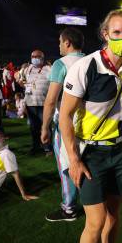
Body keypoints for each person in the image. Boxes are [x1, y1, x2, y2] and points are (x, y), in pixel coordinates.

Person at [59, 9, 122, 243]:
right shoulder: (85, 66)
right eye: (116, 33)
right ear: (105, 34)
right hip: (91, 154)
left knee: (115, 213)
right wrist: (74, 159)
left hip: (121, 151)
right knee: (95, 221)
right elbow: (64, 116)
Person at [42, 27, 85, 222]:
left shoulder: (61, 64)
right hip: (90, 123)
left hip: (67, 122)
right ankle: (95, 201)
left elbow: (51, 100)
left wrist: (44, 127)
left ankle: (69, 208)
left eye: (60, 41)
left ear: (67, 42)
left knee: (67, 166)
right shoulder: (92, 60)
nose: (59, 45)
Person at [20, 49, 51, 155]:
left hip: (44, 103)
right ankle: (36, 147)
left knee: (45, 126)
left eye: (37, 56)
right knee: (34, 128)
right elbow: (22, 81)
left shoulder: (48, 69)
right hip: (30, 103)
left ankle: (48, 148)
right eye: (33, 56)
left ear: (42, 58)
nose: (34, 58)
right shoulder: (28, 69)